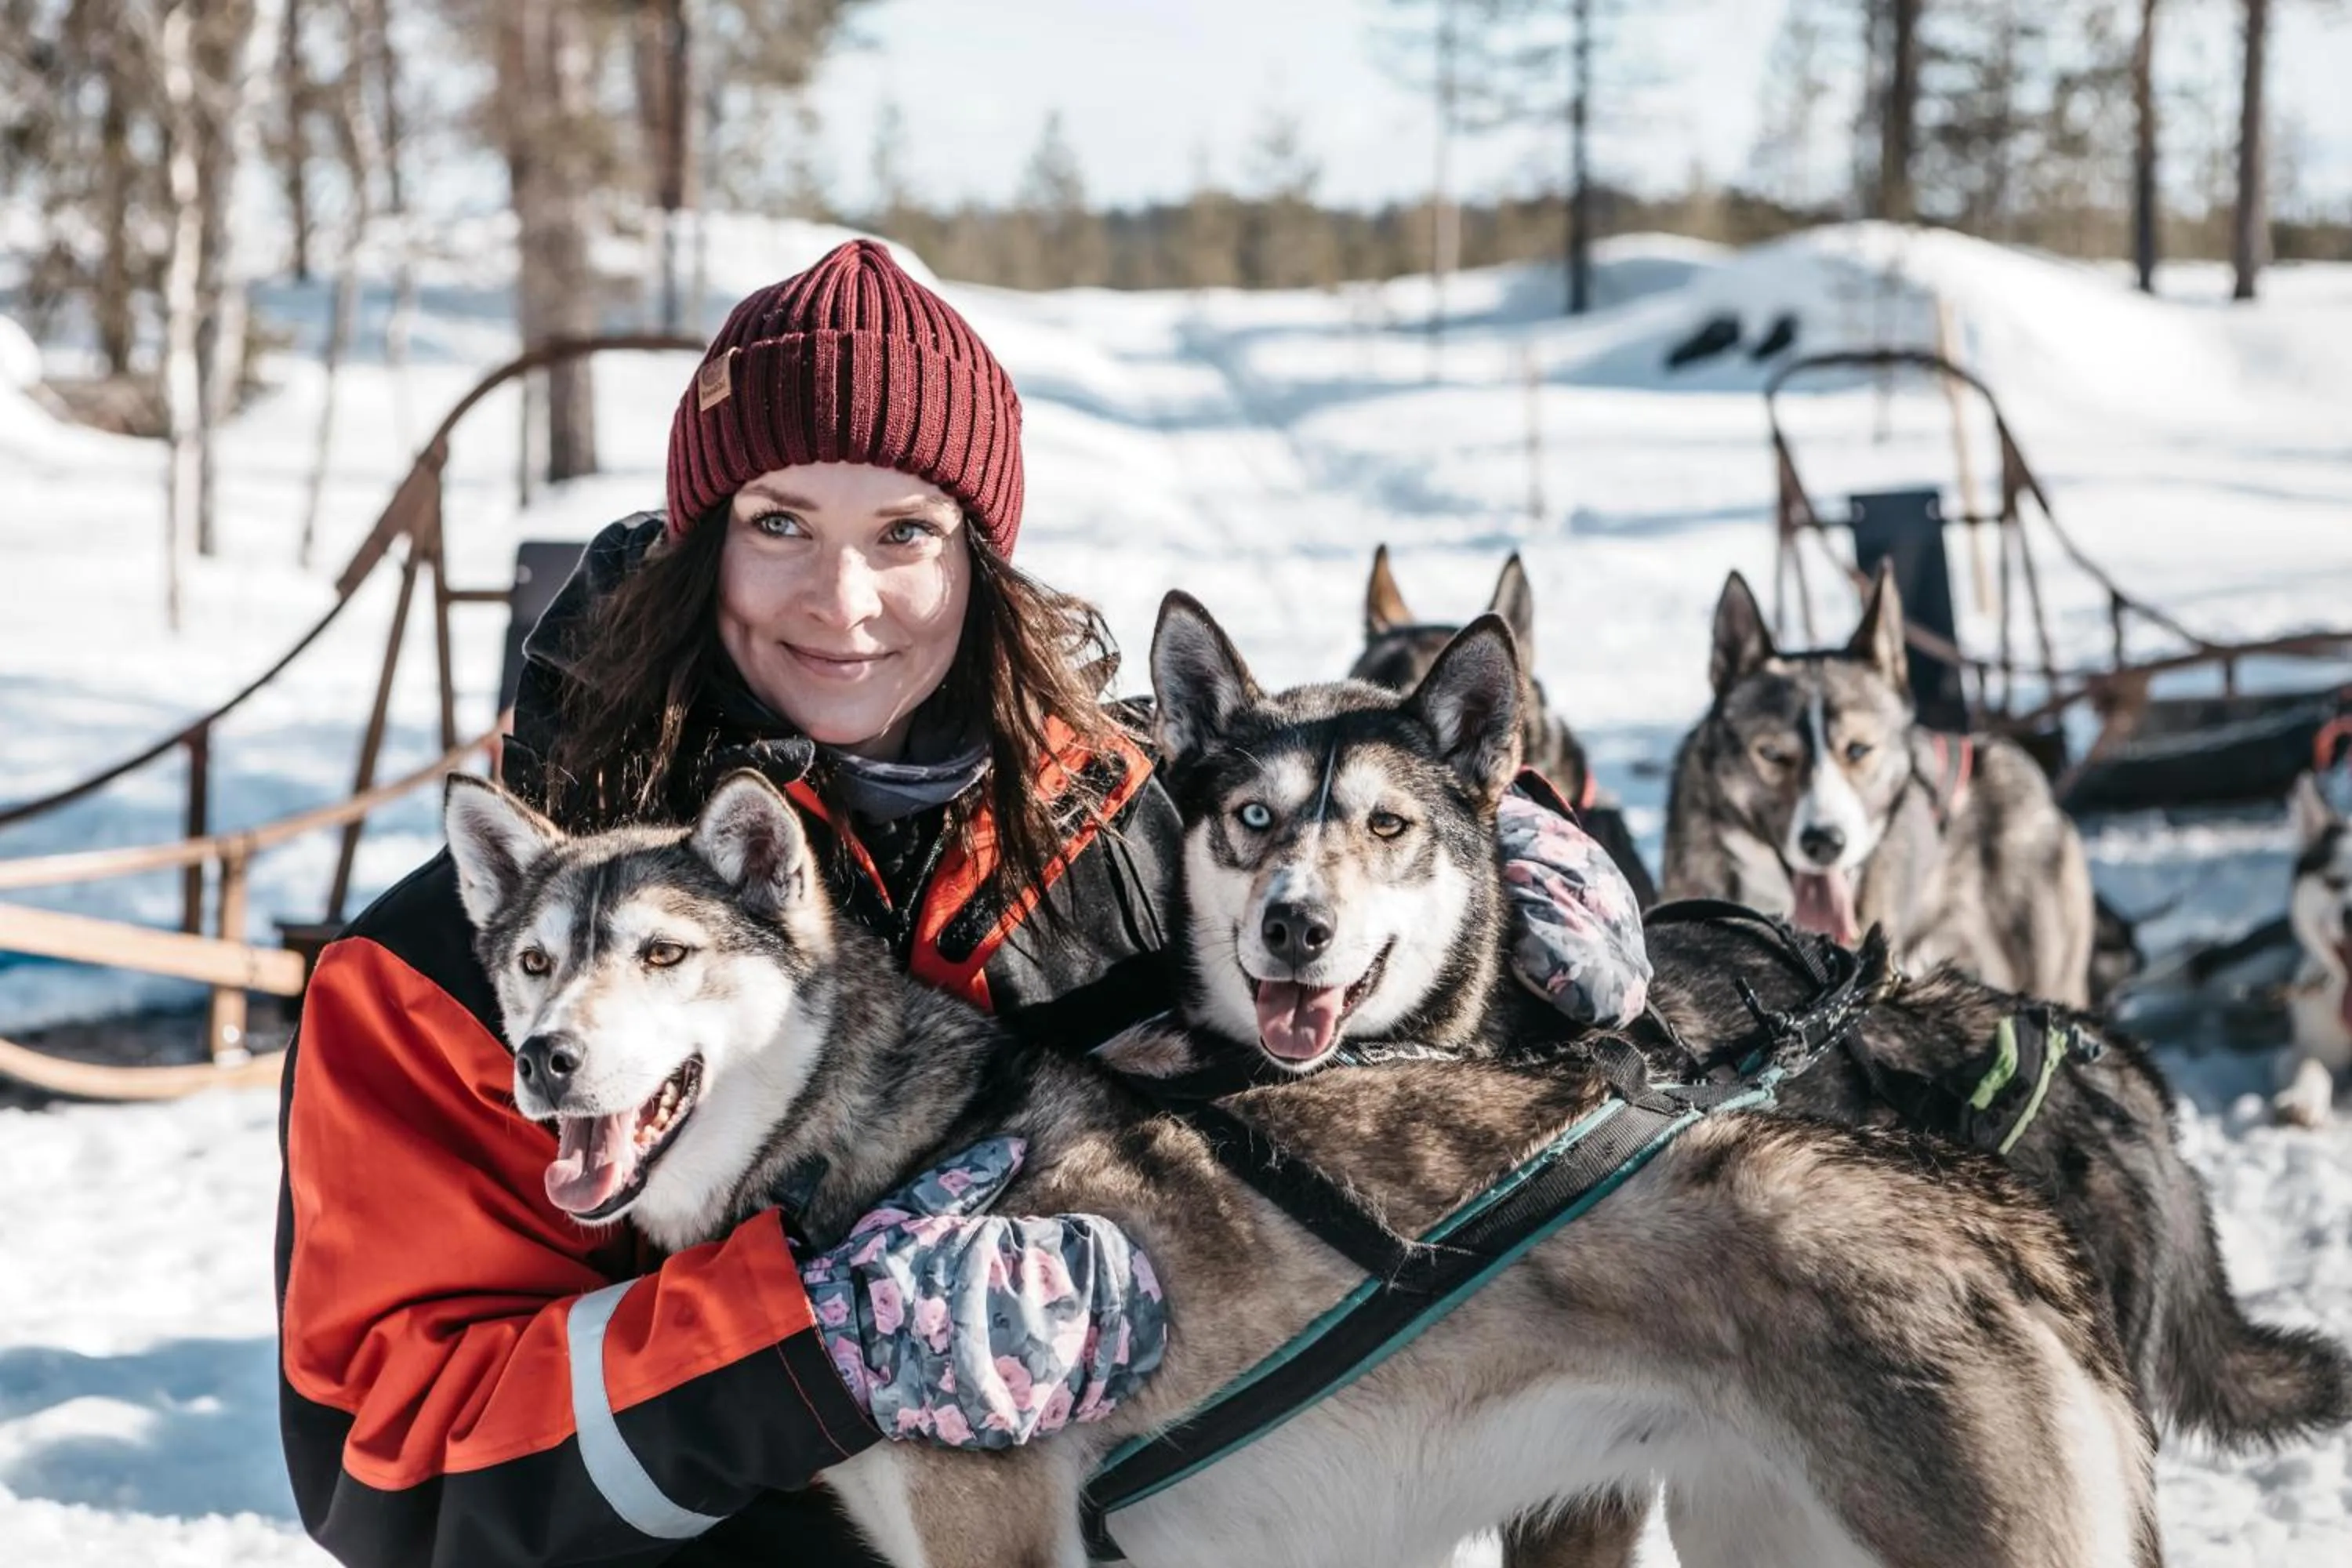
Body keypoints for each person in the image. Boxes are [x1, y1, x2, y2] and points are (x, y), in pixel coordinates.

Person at [275, 239, 1652, 1568]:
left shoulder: (1125, 834)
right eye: (779, 524)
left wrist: (1495, 856)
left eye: (906, 532)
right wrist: (808, 1345)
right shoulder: (456, 959)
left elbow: (1352, 1091)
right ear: (703, 547)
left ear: (978, 557)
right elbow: (392, 1459)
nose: (844, 599)